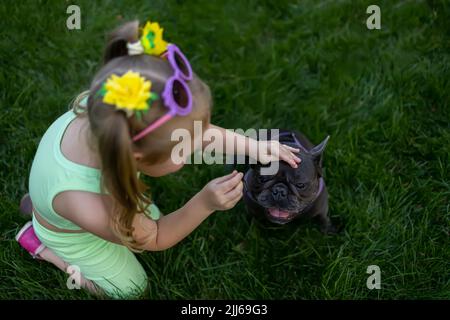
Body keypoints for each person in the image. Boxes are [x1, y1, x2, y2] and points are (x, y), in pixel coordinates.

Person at [15, 19, 301, 298]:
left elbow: (195, 132)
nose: (192, 152)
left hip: (64, 195)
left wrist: (254, 146)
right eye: (184, 149)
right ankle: (44, 246)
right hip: (78, 233)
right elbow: (155, 237)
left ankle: (44, 210)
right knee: (131, 288)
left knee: (144, 220)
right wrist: (205, 203)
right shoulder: (90, 200)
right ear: (136, 156)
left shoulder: (114, 109)